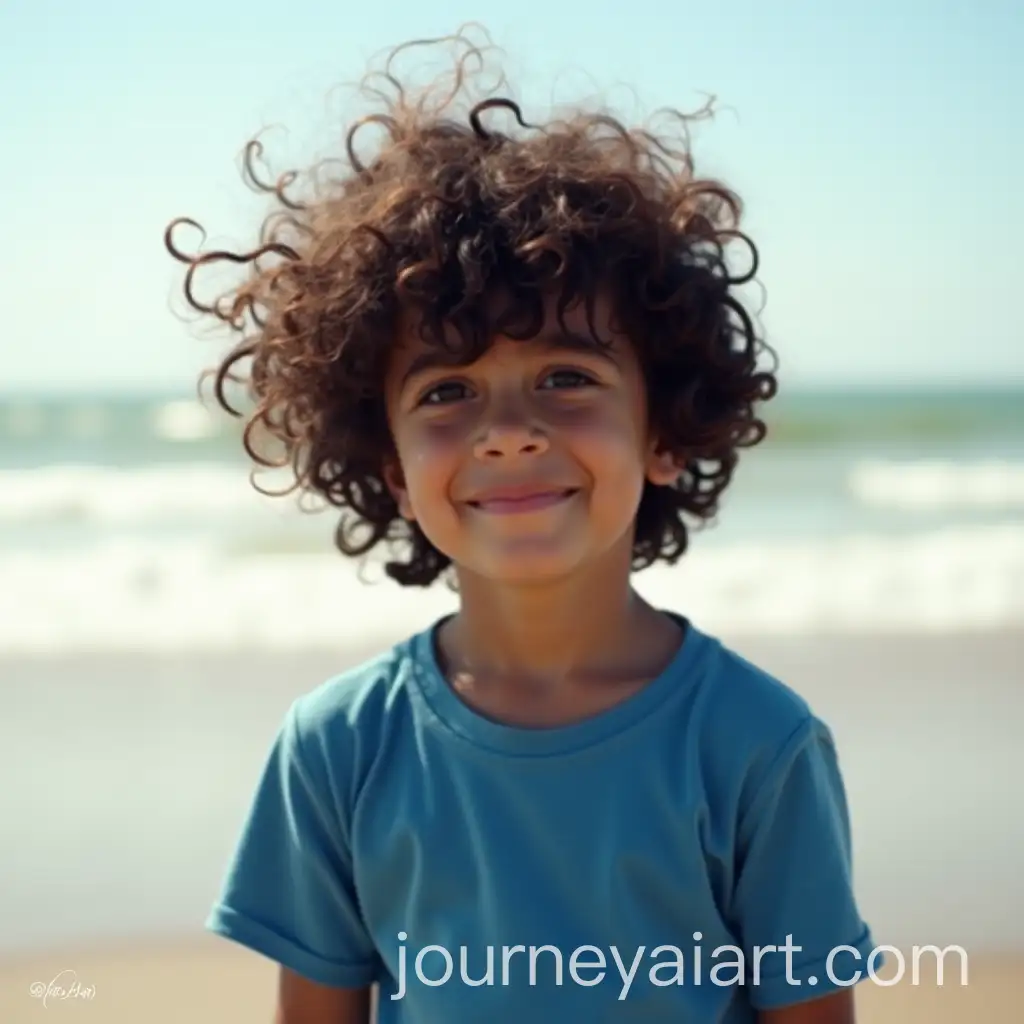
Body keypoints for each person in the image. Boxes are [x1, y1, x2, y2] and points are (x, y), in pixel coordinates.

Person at [166, 27, 878, 1024]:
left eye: (564, 378)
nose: (506, 433)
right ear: (391, 468)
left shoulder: (759, 744)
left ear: (665, 430)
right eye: (448, 390)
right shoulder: (337, 749)